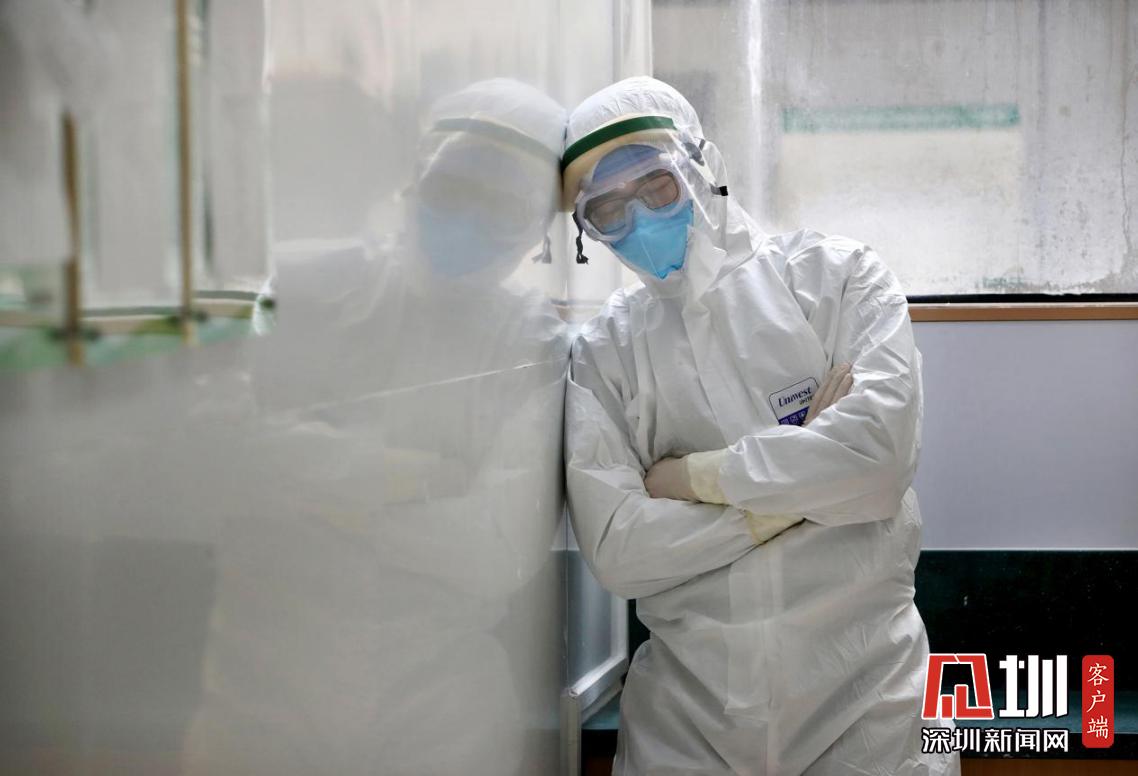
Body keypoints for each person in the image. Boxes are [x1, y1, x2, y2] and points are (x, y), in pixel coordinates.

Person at [563, 76, 959, 775]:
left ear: (704, 167)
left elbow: (878, 465)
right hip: (686, 729)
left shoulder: (838, 279)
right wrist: (796, 491)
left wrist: (692, 479)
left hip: (869, 713)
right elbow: (621, 551)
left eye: (656, 186)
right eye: (609, 212)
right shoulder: (605, 355)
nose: (639, 221)